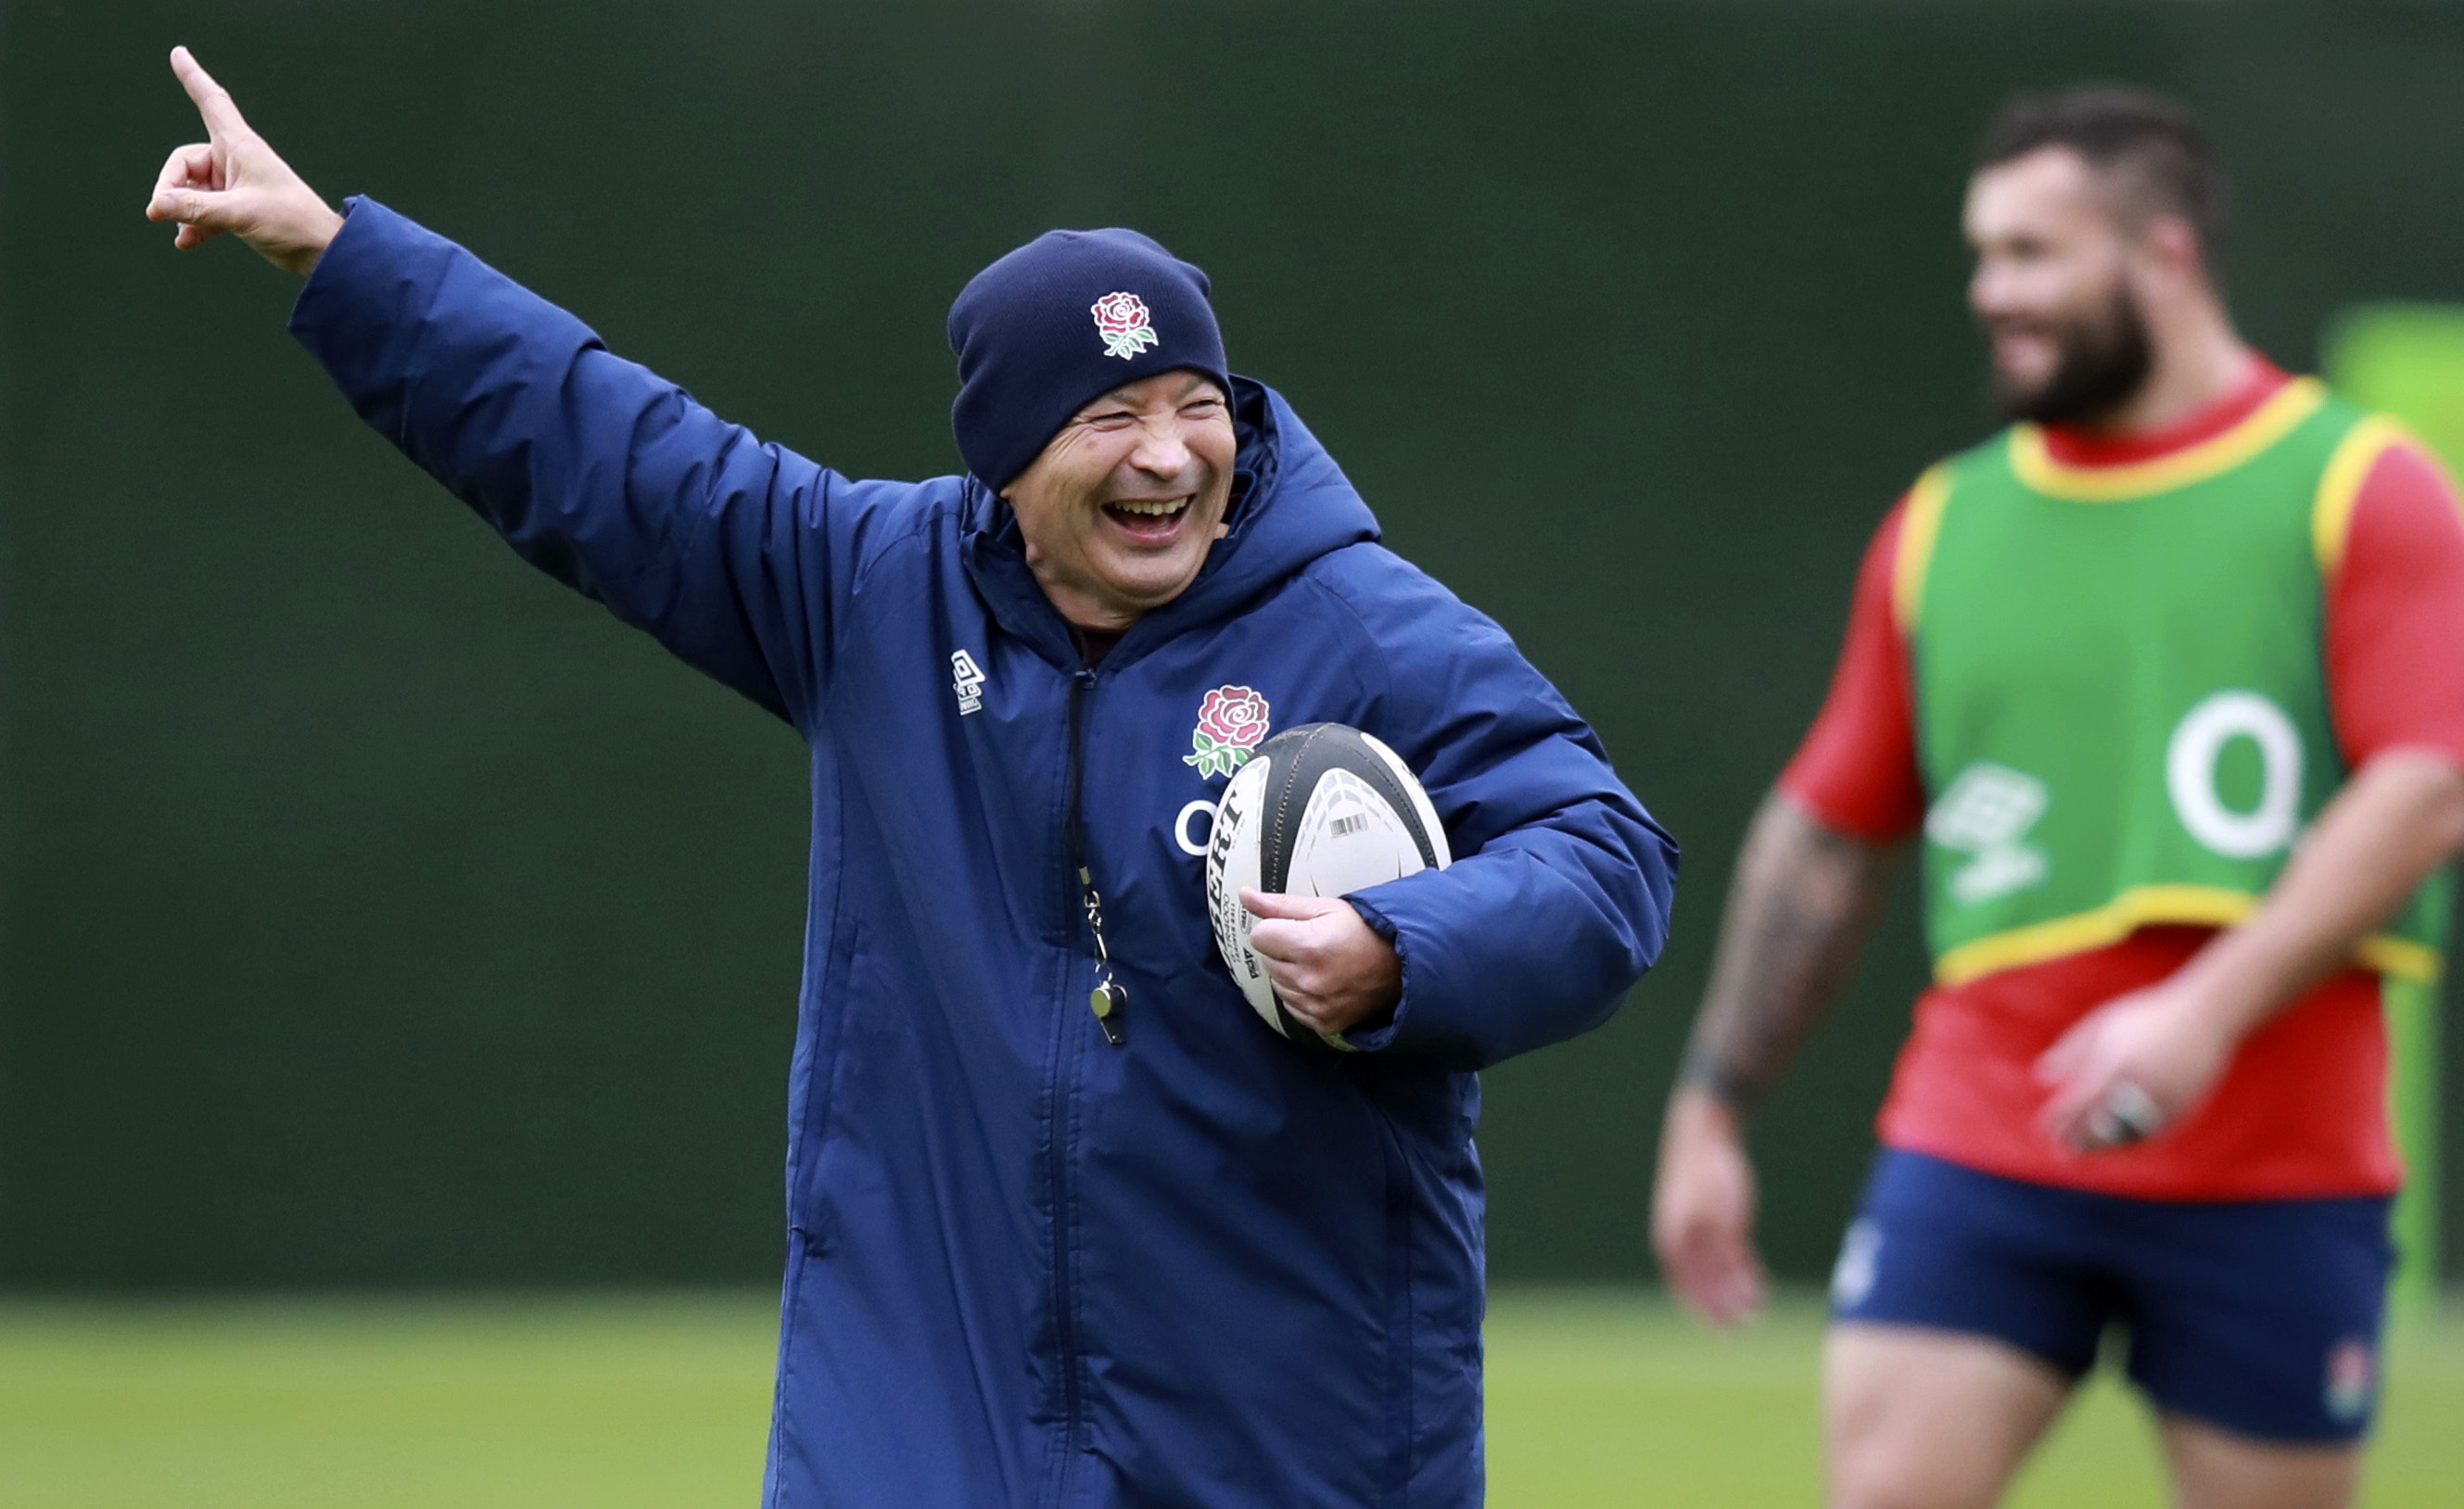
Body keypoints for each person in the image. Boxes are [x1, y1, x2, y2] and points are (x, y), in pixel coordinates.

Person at [146, 45, 1677, 1509]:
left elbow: (1603, 856)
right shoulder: (872, 587)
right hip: (927, 1422)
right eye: (1110, 418)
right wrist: (334, 254)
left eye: (1194, 405)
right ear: (1006, 459)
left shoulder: (1365, 626)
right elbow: (599, 442)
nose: (1166, 456)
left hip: (1281, 1439)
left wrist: (1402, 947)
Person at [1651, 85, 2464, 1509]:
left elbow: (2428, 785)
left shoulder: (2358, 485)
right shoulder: (1945, 522)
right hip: (1985, 1138)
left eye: (2032, 253)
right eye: (1982, 255)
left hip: (2277, 1164)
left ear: (2164, 252)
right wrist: (1709, 1112)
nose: (1992, 293)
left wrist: (2200, 1012)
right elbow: (1828, 831)